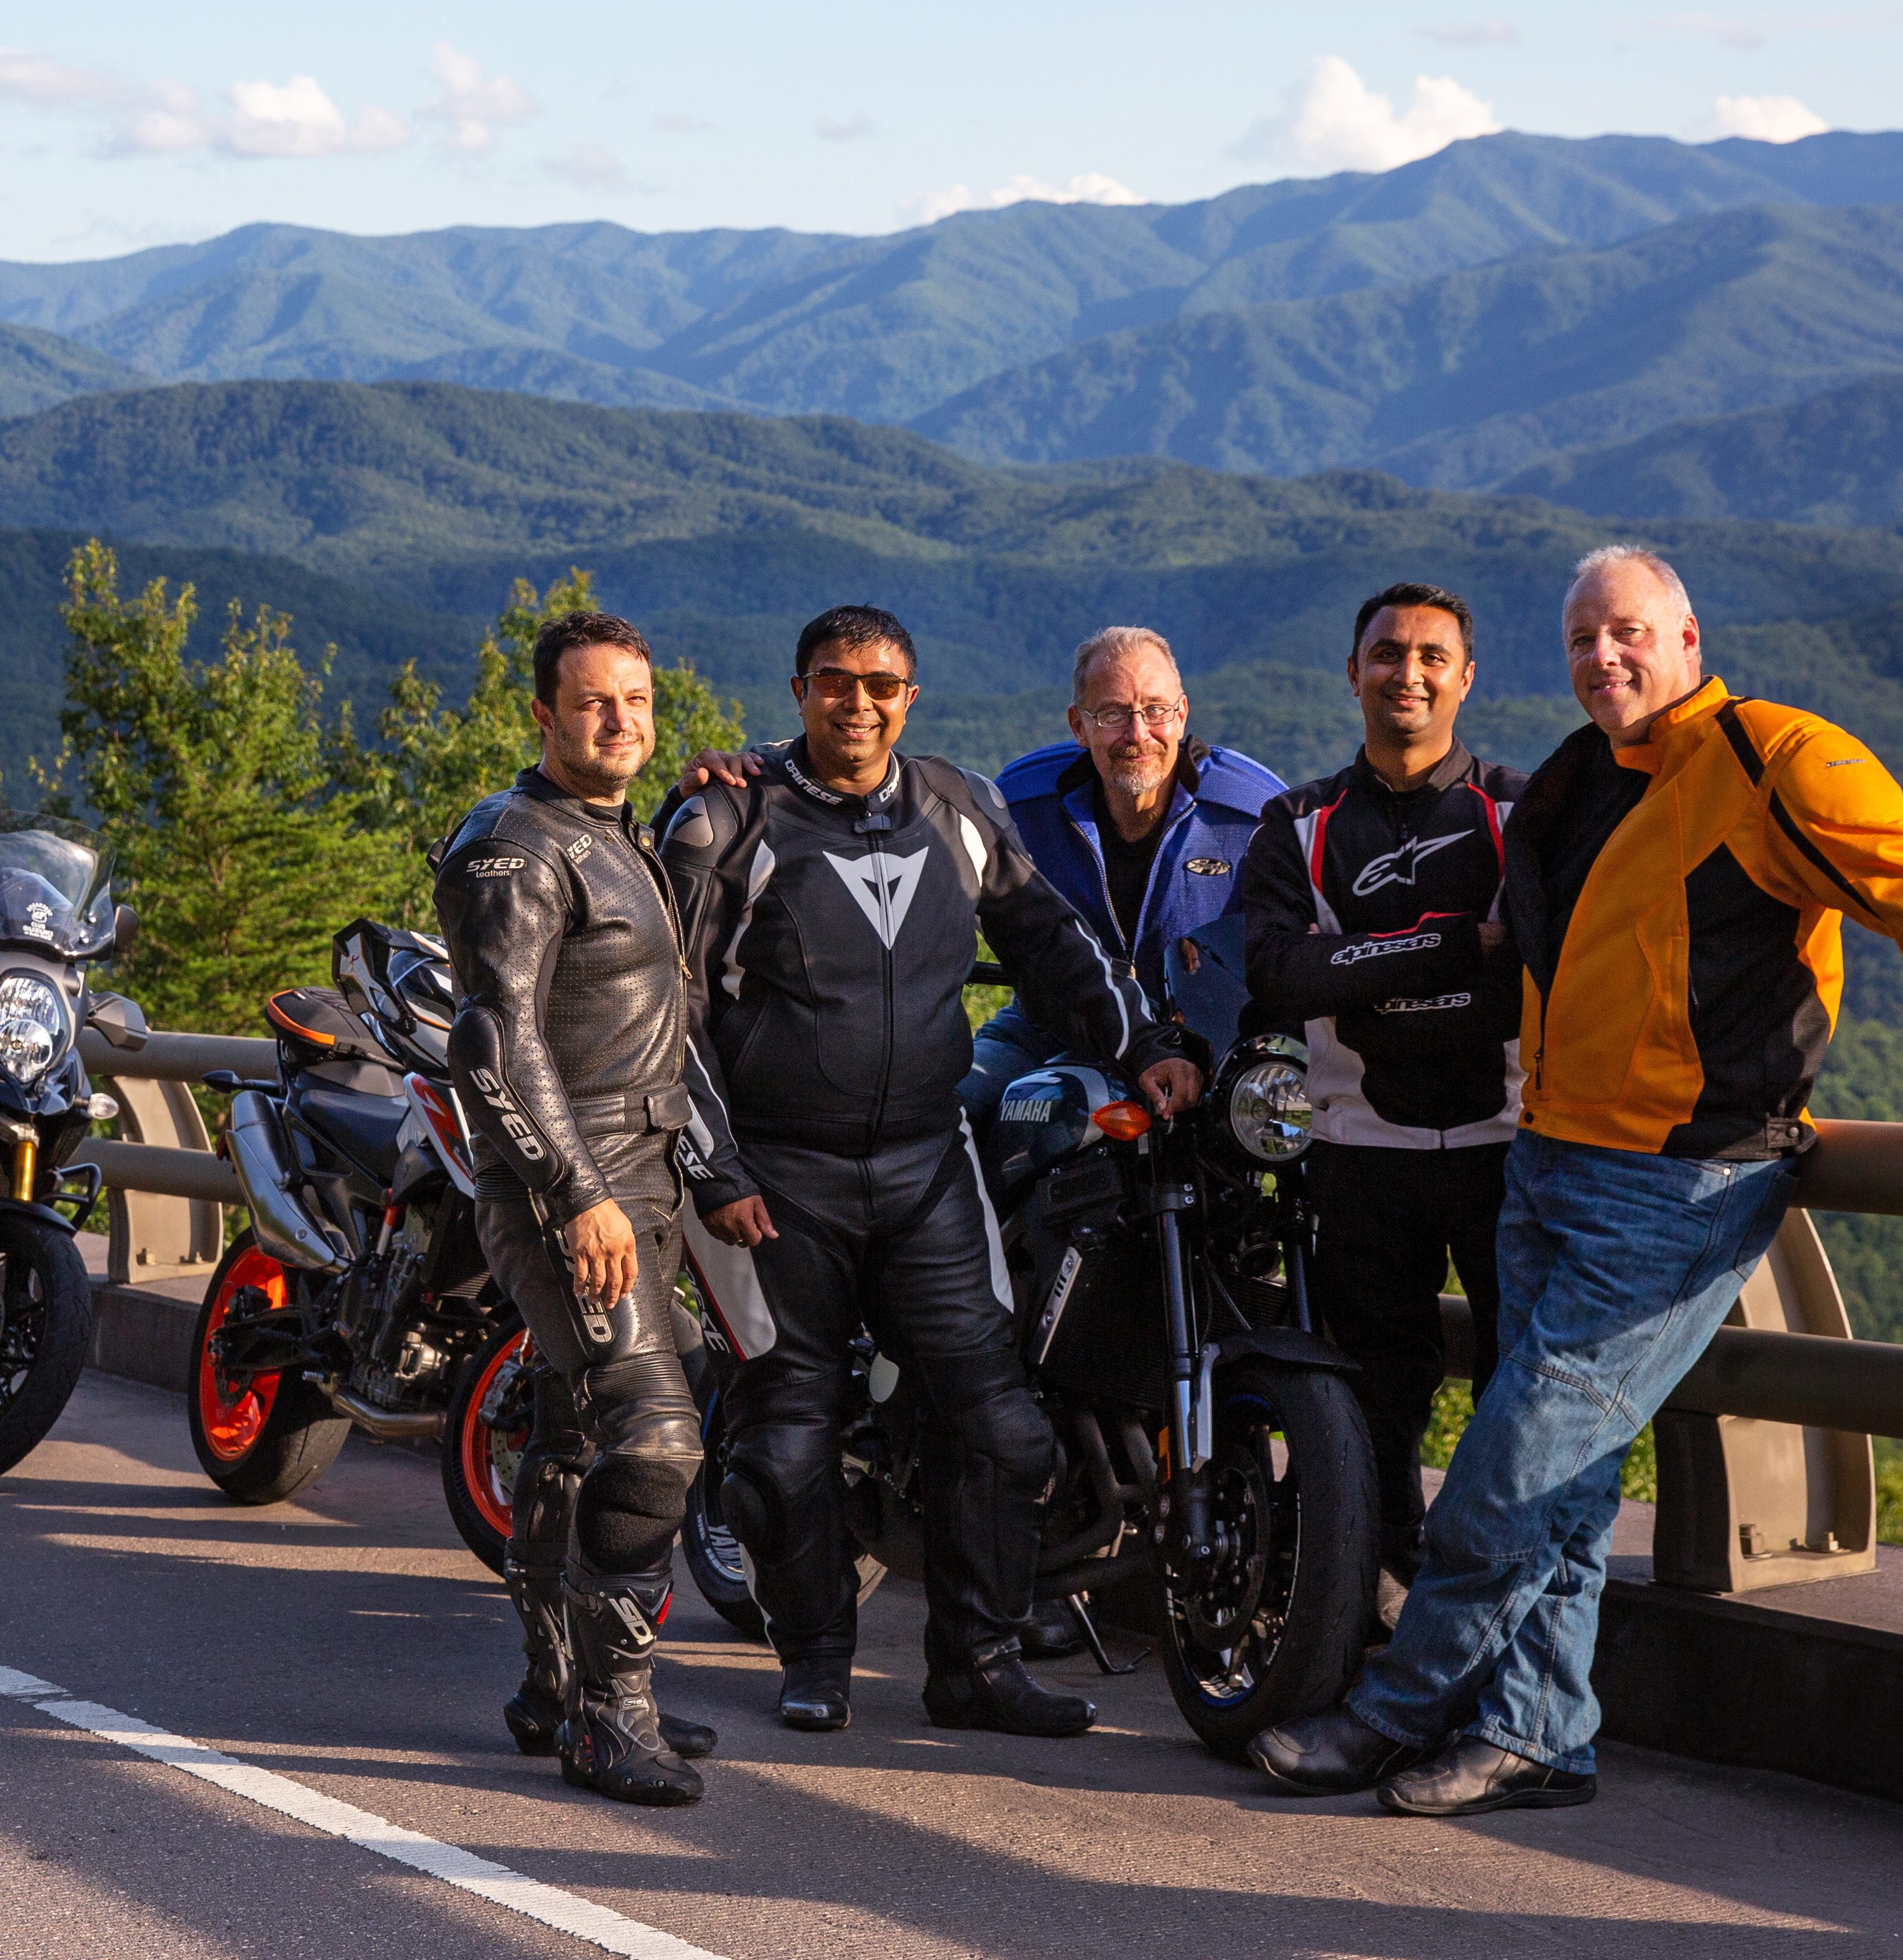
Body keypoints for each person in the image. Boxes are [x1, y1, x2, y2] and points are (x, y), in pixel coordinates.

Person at [1251, 545, 1903, 1818]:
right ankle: (1538, 1733)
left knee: (1509, 1461)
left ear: (1689, 636)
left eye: (1626, 633)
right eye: (1580, 640)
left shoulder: (1777, 760)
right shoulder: (1584, 782)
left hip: (1682, 1183)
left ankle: (1394, 1713)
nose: (1602, 658)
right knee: (1564, 1486)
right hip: (1552, 1158)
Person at [660, 604, 1204, 1739]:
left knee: (1000, 1424)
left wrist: (1145, 1045)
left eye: (881, 684)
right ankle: (813, 1658)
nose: (856, 702)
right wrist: (715, 1166)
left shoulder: (955, 806)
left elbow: (1052, 941)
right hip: (775, 1177)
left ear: (910, 698)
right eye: (833, 681)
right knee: (787, 1434)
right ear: (800, 688)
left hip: (924, 1164)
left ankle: (977, 1666)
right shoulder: (726, 818)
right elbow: (672, 1013)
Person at [434, 608, 774, 1809]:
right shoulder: (514, 851)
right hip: (566, 1195)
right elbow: (491, 1040)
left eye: (635, 699)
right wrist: (575, 1196)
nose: (619, 720)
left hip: (646, 1184)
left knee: (578, 1436)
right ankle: (607, 1716)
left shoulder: (610, 833)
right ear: (543, 715)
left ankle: (557, 1685)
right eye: (593, 702)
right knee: (657, 1438)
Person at [1234, 581, 1522, 1605]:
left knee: (1514, 1398)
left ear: (1466, 677)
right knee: (1376, 1406)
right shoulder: (1298, 823)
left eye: (1431, 656)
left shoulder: (1516, 811)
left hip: (1509, 1148)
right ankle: (1377, 1602)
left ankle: (1477, 1602)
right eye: (1388, 653)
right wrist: (1452, 942)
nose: (1409, 673)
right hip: (1358, 1155)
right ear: (1353, 672)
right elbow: (1281, 976)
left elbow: (1537, 952)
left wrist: (1354, 958)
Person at [964, 627, 1287, 1160]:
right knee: (954, 1107)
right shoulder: (1021, 806)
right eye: (1112, 714)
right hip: (1051, 1030)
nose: (1137, 734)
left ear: (1182, 715)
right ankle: (980, 1243)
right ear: (1079, 726)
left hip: (1211, 1044)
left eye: (1156, 711)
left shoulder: (1252, 813)